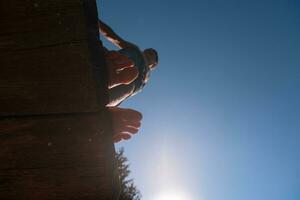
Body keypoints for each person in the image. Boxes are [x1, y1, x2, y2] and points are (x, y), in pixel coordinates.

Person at [99, 19, 159, 107]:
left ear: (153, 64)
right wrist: (96, 21)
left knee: (129, 86)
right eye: (148, 50)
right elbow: (113, 37)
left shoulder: (144, 80)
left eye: (151, 53)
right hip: (107, 66)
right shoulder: (136, 50)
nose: (148, 51)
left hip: (113, 92)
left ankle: (99, 103)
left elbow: (125, 93)